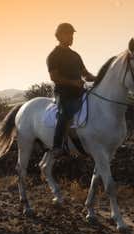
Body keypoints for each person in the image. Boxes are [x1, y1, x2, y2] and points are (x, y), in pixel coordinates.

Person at [47, 23, 96, 157]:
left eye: (72, 34)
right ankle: (57, 146)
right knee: (66, 113)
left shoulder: (75, 55)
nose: (72, 37)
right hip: (63, 94)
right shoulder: (53, 56)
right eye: (69, 34)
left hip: (79, 91)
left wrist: (97, 78)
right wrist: (73, 82)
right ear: (60, 36)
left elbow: (85, 73)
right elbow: (54, 77)